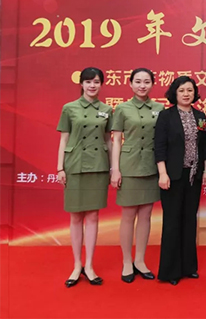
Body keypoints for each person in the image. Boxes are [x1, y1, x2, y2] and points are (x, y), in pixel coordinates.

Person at [57, 67, 112, 287]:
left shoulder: (107, 109)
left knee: (93, 216)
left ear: (101, 85)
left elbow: (108, 140)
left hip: (98, 165)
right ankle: (76, 265)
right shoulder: (69, 108)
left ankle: (89, 265)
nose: (92, 85)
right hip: (75, 164)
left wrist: (112, 167)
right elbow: (64, 139)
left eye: (96, 82)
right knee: (75, 217)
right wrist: (60, 168)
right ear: (81, 84)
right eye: (88, 81)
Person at [154, 76, 206, 285]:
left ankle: (189, 267)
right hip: (172, 176)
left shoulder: (200, 116)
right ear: (174, 93)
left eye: (190, 90)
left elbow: (205, 145)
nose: (186, 94)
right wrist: (162, 173)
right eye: (182, 90)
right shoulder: (166, 116)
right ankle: (171, 271)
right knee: (172, 222)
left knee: (189, 220)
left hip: (193, 176)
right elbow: (159, 146)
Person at [111, 68, 164, 283]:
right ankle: (127, 261)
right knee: (128, 215)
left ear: (152, 84)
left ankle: (140, 260)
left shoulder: (159, 108)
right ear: (130, 84)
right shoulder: (122, 108)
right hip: (129, 165)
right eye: (138, 81)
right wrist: (115, 169)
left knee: (146, 215)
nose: (142, 85)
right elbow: (116, 140)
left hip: (151, 166)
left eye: (147, 81)